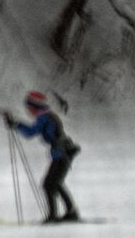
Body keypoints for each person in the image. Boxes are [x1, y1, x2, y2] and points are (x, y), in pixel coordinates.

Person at [5, 90, 80, 224]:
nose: (28, 110)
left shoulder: (44, 118)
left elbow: (30, 132)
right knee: (54, 184)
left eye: (29, 107)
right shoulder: (49, 116)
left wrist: (16, 124)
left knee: (49, 185)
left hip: (62, 154)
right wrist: (16, 124)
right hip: (63, 153)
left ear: (35, 107)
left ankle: (53, 216)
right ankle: (71, 212)